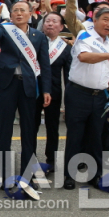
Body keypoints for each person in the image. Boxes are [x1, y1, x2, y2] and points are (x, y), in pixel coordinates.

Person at [0, 0, 51, 188]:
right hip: (7, 85)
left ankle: (28, 174)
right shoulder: (5, 30)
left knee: (29, 130)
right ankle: (2, 173)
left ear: (30, 13)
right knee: (4, 129)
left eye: (22, 10)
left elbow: (45, 64)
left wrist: (46, 89)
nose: (18, 13)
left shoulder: (38, 36)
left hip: (28, 86)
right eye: (15, 10)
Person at [63, 8, 109, 190]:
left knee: (95, 137)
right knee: (75, 136)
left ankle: (95, 175)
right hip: (78, 94)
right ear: (95, 20)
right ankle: (69, 174)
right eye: (105, 20)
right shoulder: (85, 37)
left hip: (99, 97)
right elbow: (84, 57)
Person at [34, 12, 71, 172]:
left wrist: (69, 101)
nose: (49, 24)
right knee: (31, 126)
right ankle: (30, 157)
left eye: (54, 21)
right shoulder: (34, 41)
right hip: (34, 89)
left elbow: (68, 76)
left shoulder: (66, 47)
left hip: (54, 92)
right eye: (47, 21)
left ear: (61, 27)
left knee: (52, 126)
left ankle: (52, 159)